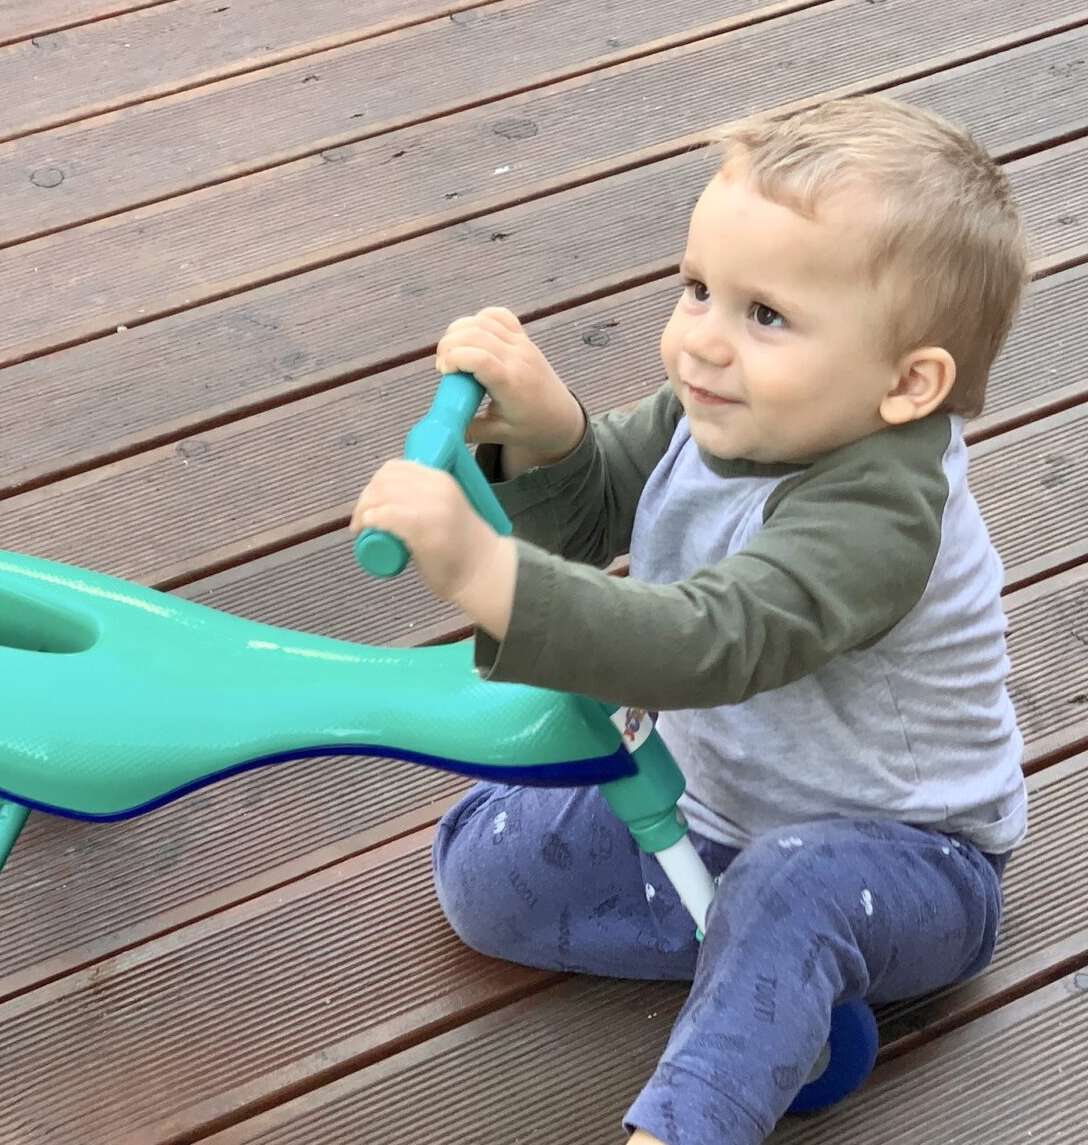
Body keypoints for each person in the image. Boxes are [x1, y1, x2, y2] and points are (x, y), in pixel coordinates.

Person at [349, 94, 1031, 1145]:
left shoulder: (883, 513)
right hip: (718, 797)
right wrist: (549, 433)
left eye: (766, 317)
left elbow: (711, 641)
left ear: (907, 384)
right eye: (698, 289)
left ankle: (690, 1118)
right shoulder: (731, 410)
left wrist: (488, 573)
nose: (703, 342)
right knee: (484, 880)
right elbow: (604, 503)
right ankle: (757, 961)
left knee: (791, 888)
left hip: (905, 860)